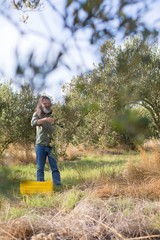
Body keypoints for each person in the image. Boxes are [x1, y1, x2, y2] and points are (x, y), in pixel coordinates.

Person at [31, 95, 61, 186]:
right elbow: (33, 123)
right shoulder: (36, 114)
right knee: (40, 168)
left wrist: (55, 121)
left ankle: (58, 185)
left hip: (52, 145)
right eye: (45, 104)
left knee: (54, 167)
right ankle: (41, 186)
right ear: (41, 104)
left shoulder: (54, 114)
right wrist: (45, 119)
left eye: (48, 103)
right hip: (40, 145)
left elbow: (62, 125)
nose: (47, 105)